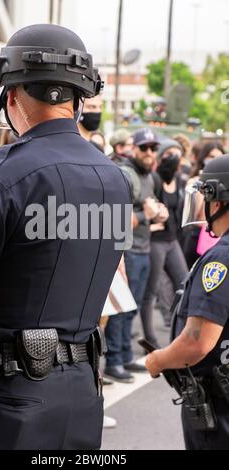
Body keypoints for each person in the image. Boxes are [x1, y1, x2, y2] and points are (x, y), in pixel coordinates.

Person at [0, 24, 131, 451]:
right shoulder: (115, 178)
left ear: (13, 93)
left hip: (4, 403)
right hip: (81, 393)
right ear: (79, 96)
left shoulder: (2, 177)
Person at [146, 155, 229, 450]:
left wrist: (158, 360)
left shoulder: (220, 258)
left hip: (219, 412)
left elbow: (197, 344)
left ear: (216, 202)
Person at [104, 128, 168, 382]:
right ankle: (114, 361)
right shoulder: (127, 174)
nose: (150, 152)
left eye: (154, 148)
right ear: (134, 149)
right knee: (120, 308)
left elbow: (149, 209)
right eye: (145, 147)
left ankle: (126, 356)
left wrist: (158, 213)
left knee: (133, 308)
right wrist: (147, 216)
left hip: (143, 248)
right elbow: (117, 218)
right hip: (126, 251)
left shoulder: (149, 177)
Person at [140, 139, 188, 343]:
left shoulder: (180, 180)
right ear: (161, 157)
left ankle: (181, 334)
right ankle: (150, 339)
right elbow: (146, 207)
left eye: (177, 155)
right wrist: (153, 219)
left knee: (185, 284)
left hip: (172, 240)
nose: (174, 159)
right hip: (155, 241)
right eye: (169, 154)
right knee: (150, 292)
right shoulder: (154, 179)